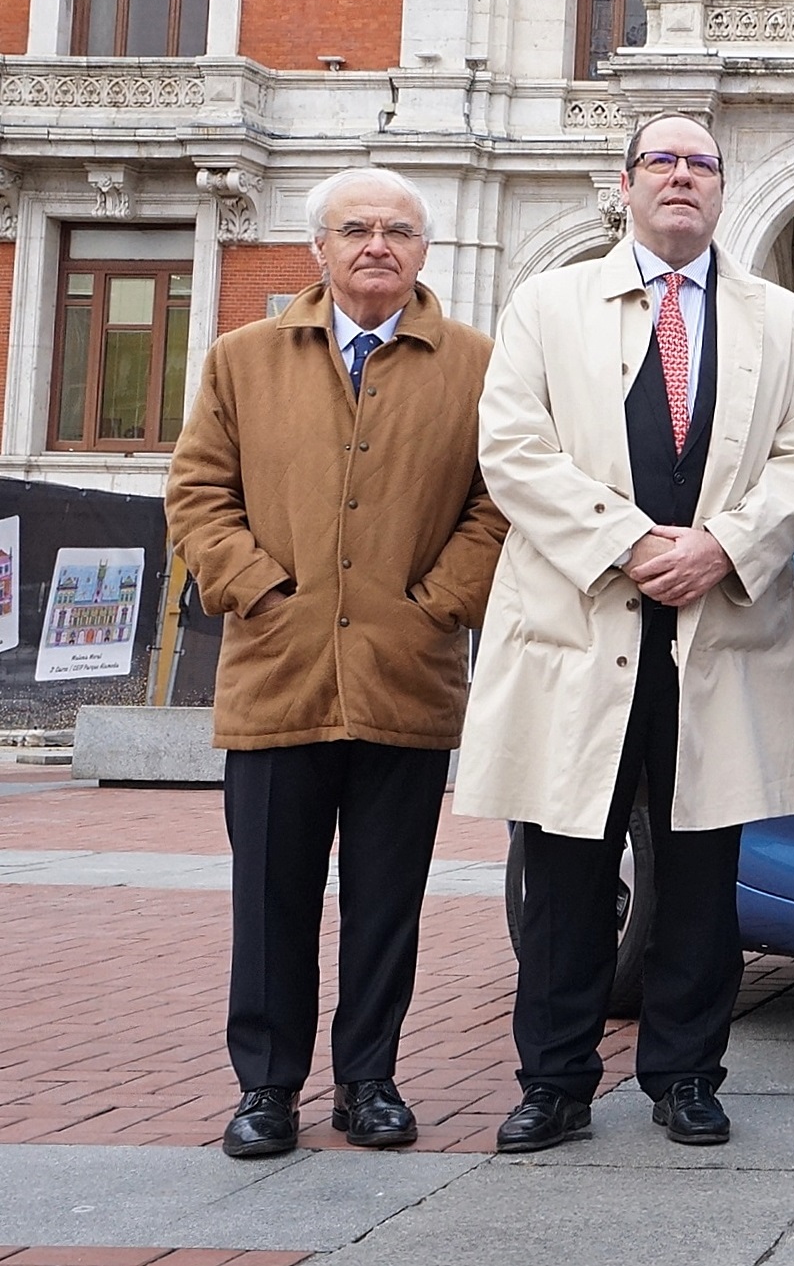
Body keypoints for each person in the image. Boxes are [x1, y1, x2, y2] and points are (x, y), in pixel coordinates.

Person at [455, 111, 794, 1152]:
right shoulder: (548, 304)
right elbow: (514, 449)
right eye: (661, 162)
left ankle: (685, 1076)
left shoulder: (783, 320)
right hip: (579, 635)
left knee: (701, 878)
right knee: (566, 874)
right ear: (622, 185)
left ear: (723, 191)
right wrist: (629, 543)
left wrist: (720, 545)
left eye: (701, 165)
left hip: (712, 638)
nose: (682, 178)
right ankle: (556, 1081)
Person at [166, 166, 507, 1158]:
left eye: (399, 230)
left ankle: (370, 1080)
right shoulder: (244, 357)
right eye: (355, 228)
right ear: (318, 246)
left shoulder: (475, 366)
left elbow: (499, 503)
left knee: (385, 902)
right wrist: (260, 587)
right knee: (270, 901)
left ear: (424, 250)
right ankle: (267, 1089)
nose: (377, 245)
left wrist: (438, 605)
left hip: (408, 679)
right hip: (278, 677)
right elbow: (197, 492)